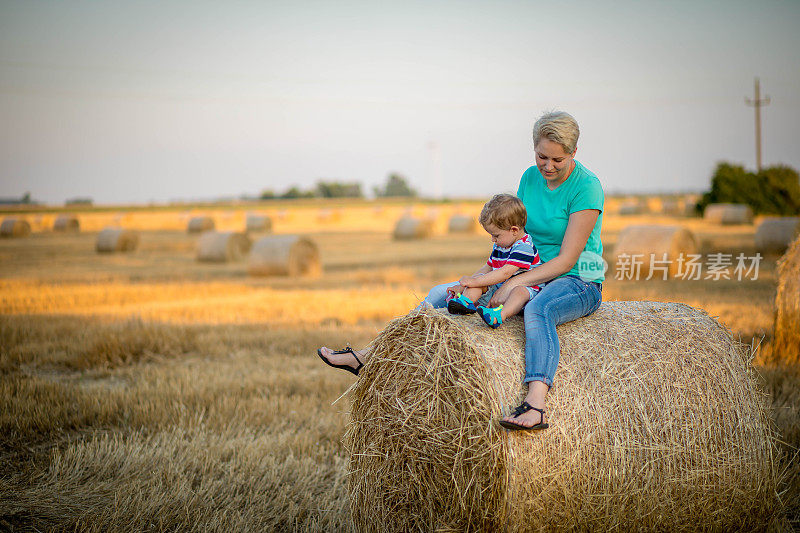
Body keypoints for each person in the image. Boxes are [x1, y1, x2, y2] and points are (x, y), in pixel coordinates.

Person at [318, 110, 604, 432]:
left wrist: (514, 282)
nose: (548, 167)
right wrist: (479, 278)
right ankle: (371, 355)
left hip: (576, 280)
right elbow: (513, 240)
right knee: (441, 292)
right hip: (528, 267)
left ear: (574, 154)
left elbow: (566, 261)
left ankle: (536, 403)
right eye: (542, 157)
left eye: (558, 160)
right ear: (533, 149)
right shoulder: (529, 178)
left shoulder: (587, 187)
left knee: (540, 308)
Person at [446, 193, 544, 330]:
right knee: (479, 280)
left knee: (520, 292)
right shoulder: (500, 245)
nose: (493, 239)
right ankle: (465, 302)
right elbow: (487, 267)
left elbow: (505, 273)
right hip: (500, 288)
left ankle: (499, 316)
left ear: (514, 230)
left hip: (526, 291)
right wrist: (465, 285)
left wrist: (475, 281)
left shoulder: (524, 247)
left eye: (496, 235)